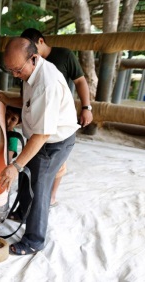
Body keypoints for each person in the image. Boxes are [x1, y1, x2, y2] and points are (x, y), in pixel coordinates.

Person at [0, 37, 80, 256]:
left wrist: (15, 165)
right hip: (39, 137)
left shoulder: (47, 83)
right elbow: (31, 105)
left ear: (34, 58)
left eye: (17, 70)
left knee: (39, 185)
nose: (14, 75)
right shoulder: (30, 71)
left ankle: (34, 240)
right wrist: (14, 109)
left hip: (54, 142)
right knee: (26, 175)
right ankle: (23, 211)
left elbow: (42, 135)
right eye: (10, 70)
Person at [21, 28, 93, 206]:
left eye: (30, 47)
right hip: (37, 117)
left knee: (56, 164)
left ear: (40, 42)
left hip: (59, 119)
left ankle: (51, 196)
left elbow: (80, 81)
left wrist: (86, 107)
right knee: (34, 162)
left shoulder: (64, 55)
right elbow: (27, 98)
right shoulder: (26, 62)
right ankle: (33, 200)